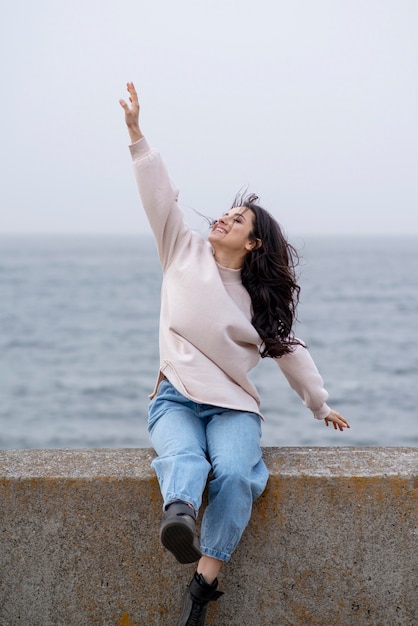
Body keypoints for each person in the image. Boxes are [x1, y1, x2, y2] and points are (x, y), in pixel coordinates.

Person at [119, 82, 350, 626]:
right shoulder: (180, 248)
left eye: (237, 220)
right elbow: (160, 195)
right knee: (186, 462)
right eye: (223, 213)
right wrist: (136, 135)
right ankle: (178, 513)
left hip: (233, 407)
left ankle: (203, 585)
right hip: (174, 396)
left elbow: (291, 354)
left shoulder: (258, 302)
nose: (221, 219)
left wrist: (319, 406)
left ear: (252, 244)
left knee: (236, 474)